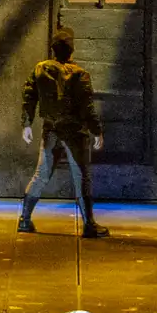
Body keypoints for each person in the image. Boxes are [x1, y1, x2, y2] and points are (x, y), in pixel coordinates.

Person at [18, 27, 108, 238]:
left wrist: (27, 123)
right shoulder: (79, 74)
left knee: (41, 175)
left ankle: (24, 220)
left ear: (53, 49)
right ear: (71, 50)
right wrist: (97, 131)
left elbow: (29, 96)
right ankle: (89, 225)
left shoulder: (40, 69)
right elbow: (87, 108)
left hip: (51, 130)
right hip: (75, 132)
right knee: (81, 177)